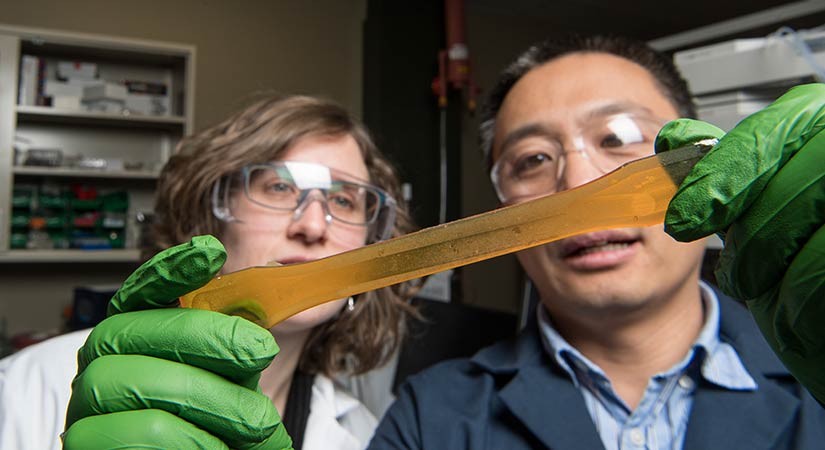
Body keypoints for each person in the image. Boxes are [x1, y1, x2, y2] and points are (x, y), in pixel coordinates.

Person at [368, 33, 825, 449]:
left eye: (617, 137)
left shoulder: (813, 369)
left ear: (704, 155)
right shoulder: (427, 421)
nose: (578, 183)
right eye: (533, 160)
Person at [0, 94, 420, 450]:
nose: (312, 226)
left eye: (345, 201)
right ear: (214, 213)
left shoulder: (364, 434)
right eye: (278, 187)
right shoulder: (30, 387)